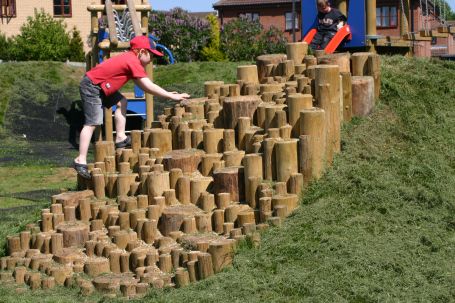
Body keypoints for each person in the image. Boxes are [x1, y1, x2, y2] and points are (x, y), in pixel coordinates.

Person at [73, 35, 190, 179]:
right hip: (92, 86)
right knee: (93, 122)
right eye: (151, 55)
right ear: (142, 52)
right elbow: (148, 85)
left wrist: (167, 93)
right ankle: (81, 160)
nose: (152, 60)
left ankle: (120, 137)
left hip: (101, 85)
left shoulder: (131, 59)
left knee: (122, 102)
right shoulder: (132, 60)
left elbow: (143, 85)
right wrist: (171, 96)